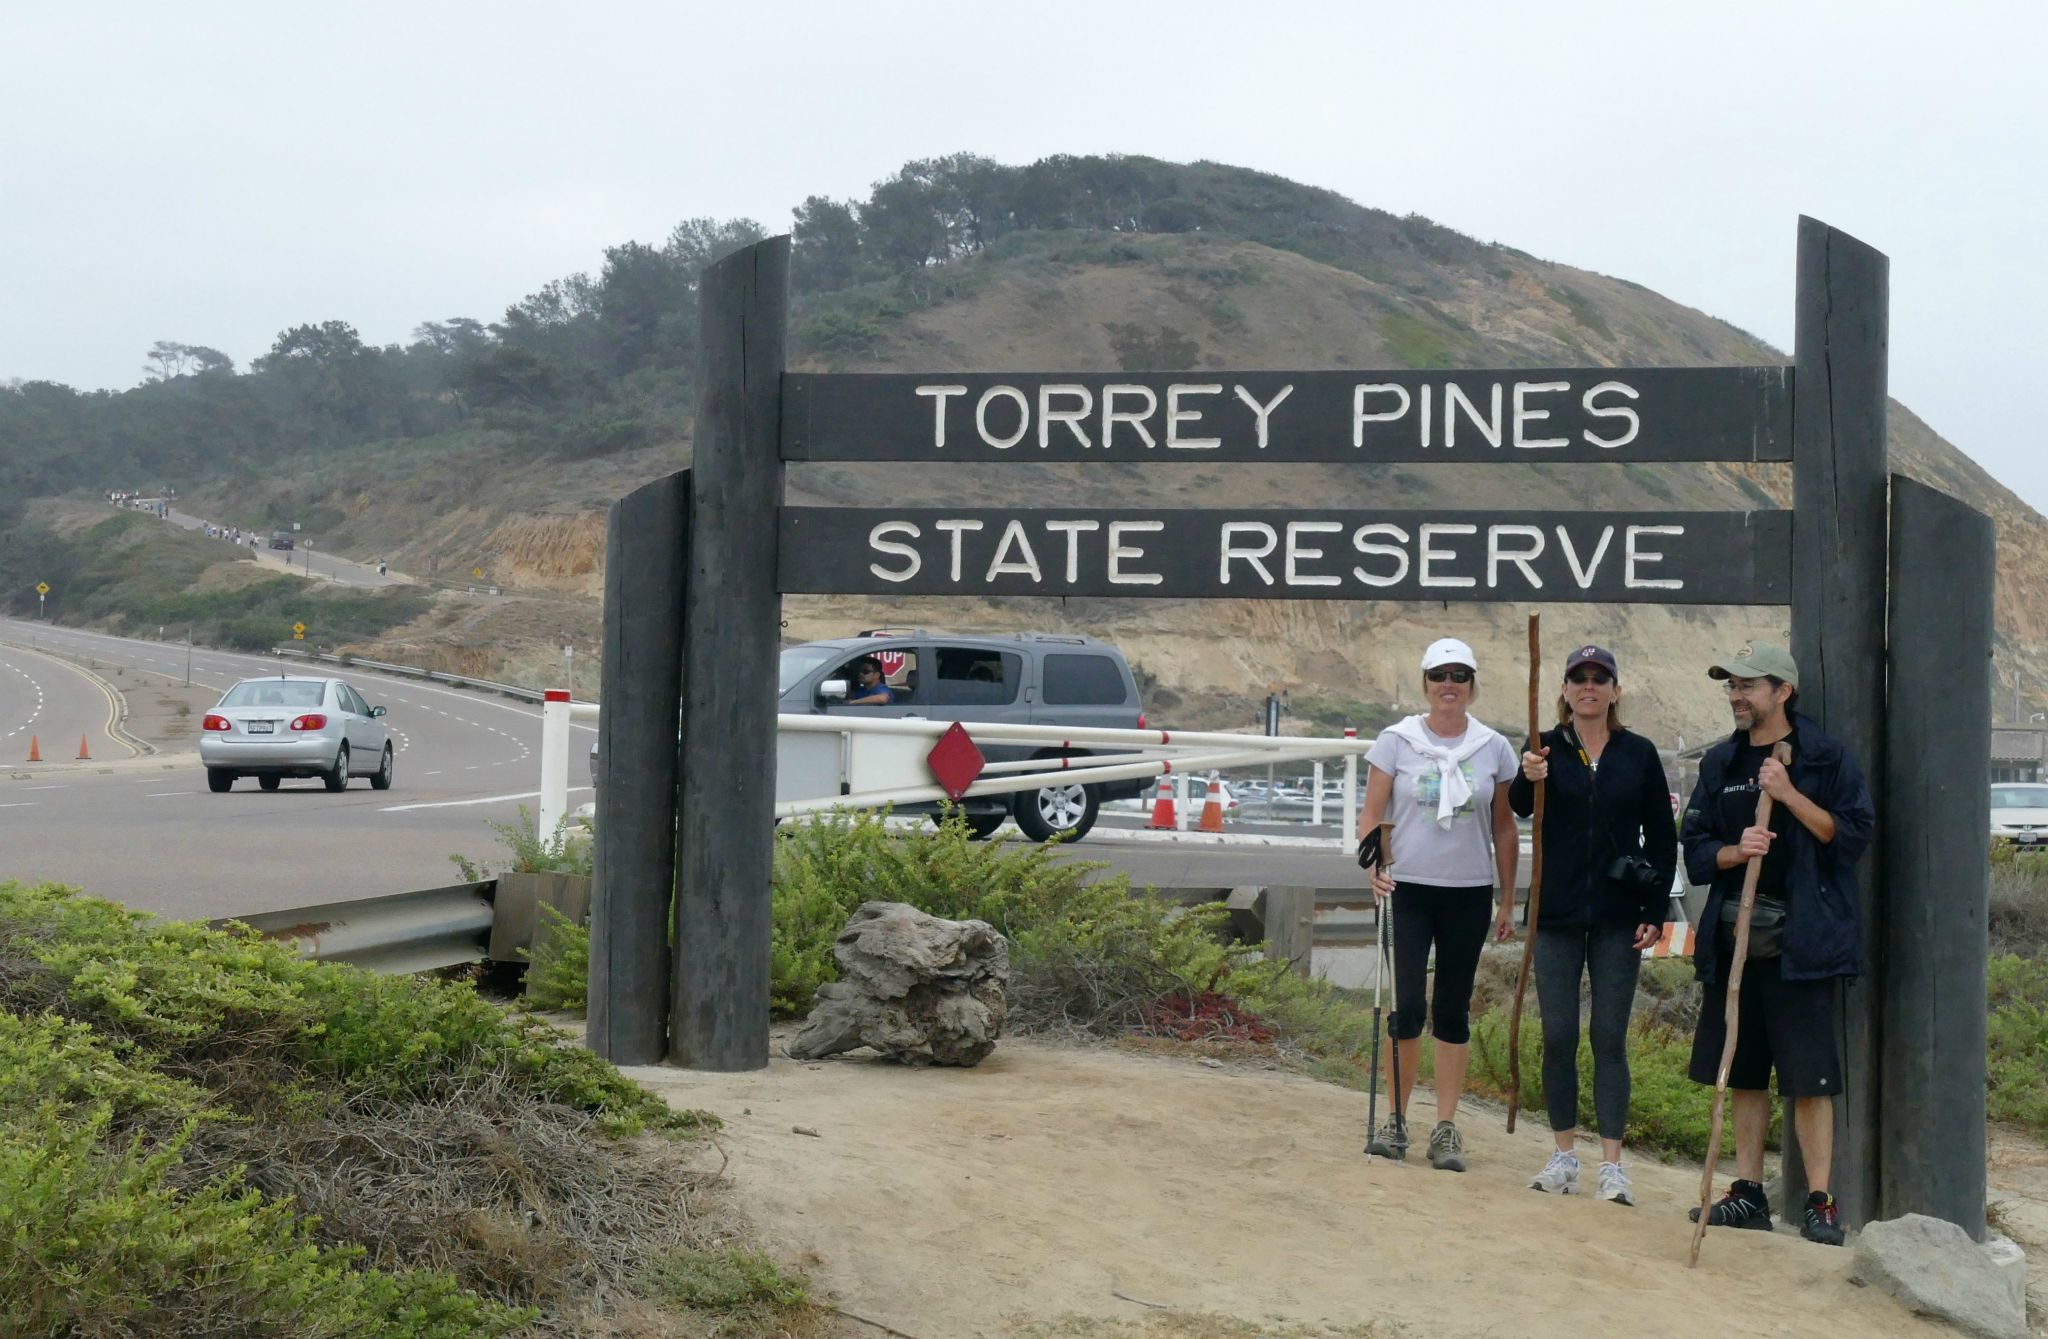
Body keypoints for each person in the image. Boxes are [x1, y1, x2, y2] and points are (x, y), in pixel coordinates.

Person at [1680, 641, 1874, 1246]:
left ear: (1782, 691)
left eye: (1747, 685)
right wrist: (1735, 850)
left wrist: (1789, 796)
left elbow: (1851, 839)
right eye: (1730, 686)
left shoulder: (1824, 759)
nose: (1736, 696)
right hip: (1735, 940)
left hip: (1803, 943)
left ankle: (1820, 1201)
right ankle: (1747, 1193)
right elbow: (1694, 846)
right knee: (1742, 1070)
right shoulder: (1720, 763)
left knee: (1810, 1080)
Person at [1508, 645, 1676, 1207]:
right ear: (1563, 690)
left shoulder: (1640, 753)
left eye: (1599, 678)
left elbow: (1663, 834)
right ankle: (1562, 1155)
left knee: (1609, 1037)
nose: (1589, 686)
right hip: (1554, 913)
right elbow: (1517, 805)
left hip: (1618, 915)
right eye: (1578, 678)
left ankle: (1612, 1165)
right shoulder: (1545, 748)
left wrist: (1655, 909)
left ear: (1615, 691)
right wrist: (1527, 774)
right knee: (1557, 1035)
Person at [1357, 637, 1520, 1171]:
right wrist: (1372, 868)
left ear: (1472, 685)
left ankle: (1446, 1127)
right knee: (1406, 1007)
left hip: (1468, 892)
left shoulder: (1492, 747)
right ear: (1425, 682)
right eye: (1438, 675)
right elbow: (1373, 814)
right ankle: (1396, 1119)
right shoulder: (1396, 741)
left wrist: (1505, 898)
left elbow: (1503, 827)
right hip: (1406, 890)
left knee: (1452, 1009)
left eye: (1459, 675)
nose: (1448, 685)